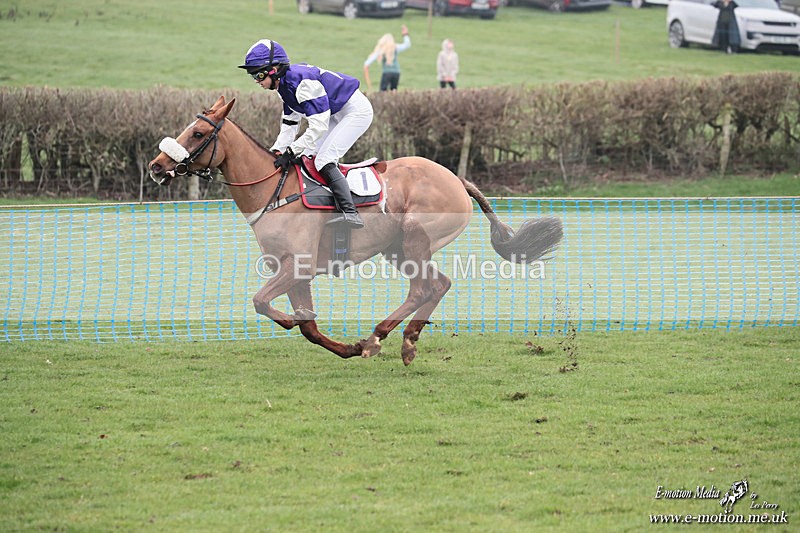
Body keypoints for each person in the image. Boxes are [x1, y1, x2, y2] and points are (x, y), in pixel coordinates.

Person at [239, 39, 372, 228]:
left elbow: (318, 127)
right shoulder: (283, 86)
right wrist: (277, 150)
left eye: (259, 75)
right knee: (306, 156)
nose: (257, 81)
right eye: (253, 76)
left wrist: (292, 151)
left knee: (323, 160)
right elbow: (290, 123)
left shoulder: (302, 83)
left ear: (275, 69)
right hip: (335, 113)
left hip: (355, 111)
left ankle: (350, 212)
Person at [363, 25, 411, 92]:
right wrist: (405, 35)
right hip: (396, 72)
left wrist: (366, 66)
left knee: (382, 92)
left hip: (387, 73)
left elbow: (368, 62)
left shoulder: (381, 50)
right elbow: (407, 45)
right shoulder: (395, 48)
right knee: (394, 91)